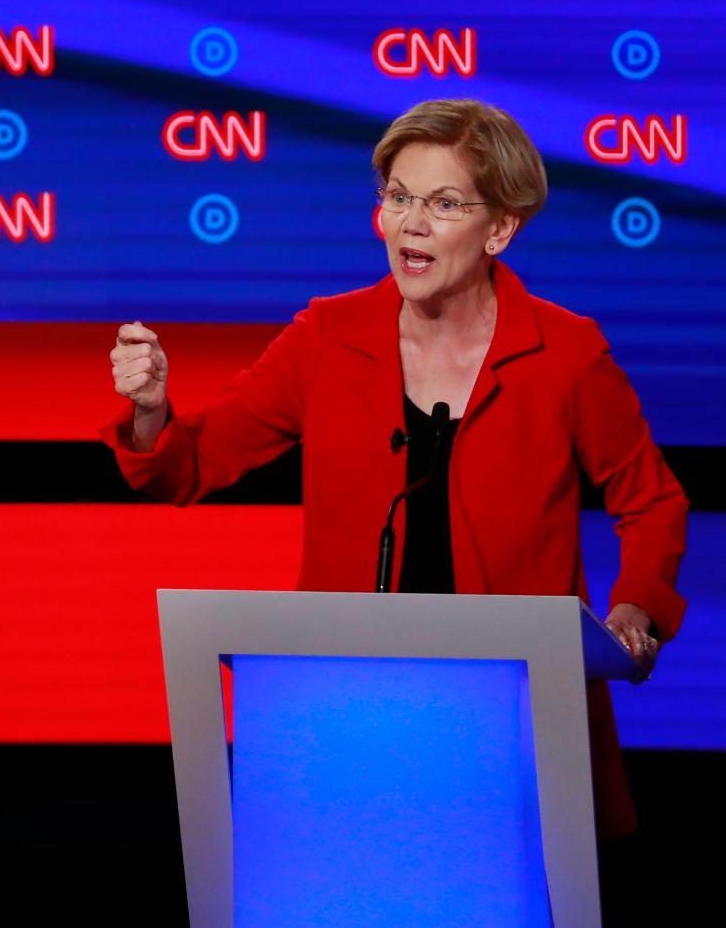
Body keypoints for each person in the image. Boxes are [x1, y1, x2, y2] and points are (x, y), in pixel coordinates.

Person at [104, 100, 686, 854]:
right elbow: (190, 464)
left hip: (509, 712)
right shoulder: (327, 337)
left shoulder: (568, 353)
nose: (410, 223)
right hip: (349, 708)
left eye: (443, 204)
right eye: (398, 196)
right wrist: (151, 411)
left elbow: (652, 500)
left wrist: (634, 612)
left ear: (500, 230)